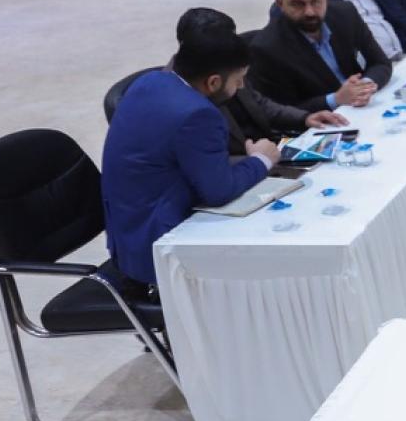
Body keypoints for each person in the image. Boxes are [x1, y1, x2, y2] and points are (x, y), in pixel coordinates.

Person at [101, 29, 278, 293]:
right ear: (213, 82)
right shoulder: (198, 114)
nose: (241, 87)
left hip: (129, 237)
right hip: (162, 251)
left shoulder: (149, 81)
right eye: (238, 80)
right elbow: (219, 192)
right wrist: (262, 159)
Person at [174, 8, 345, 149]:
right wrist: (258, 160)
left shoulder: (231, 65)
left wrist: (304, 118)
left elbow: (260, 104)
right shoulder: (181, 99)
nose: (233, 47)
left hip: (269, 149)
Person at [250, 0, 393, 113]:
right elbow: (280, 111)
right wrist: (335, 99)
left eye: (316, 1)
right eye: (297, 4)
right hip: (321, 118)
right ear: (280, 4)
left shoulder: (345, 13)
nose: (309, 12)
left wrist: (364, 86)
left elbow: (380, 62)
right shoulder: (266, 48)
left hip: (363, 106)